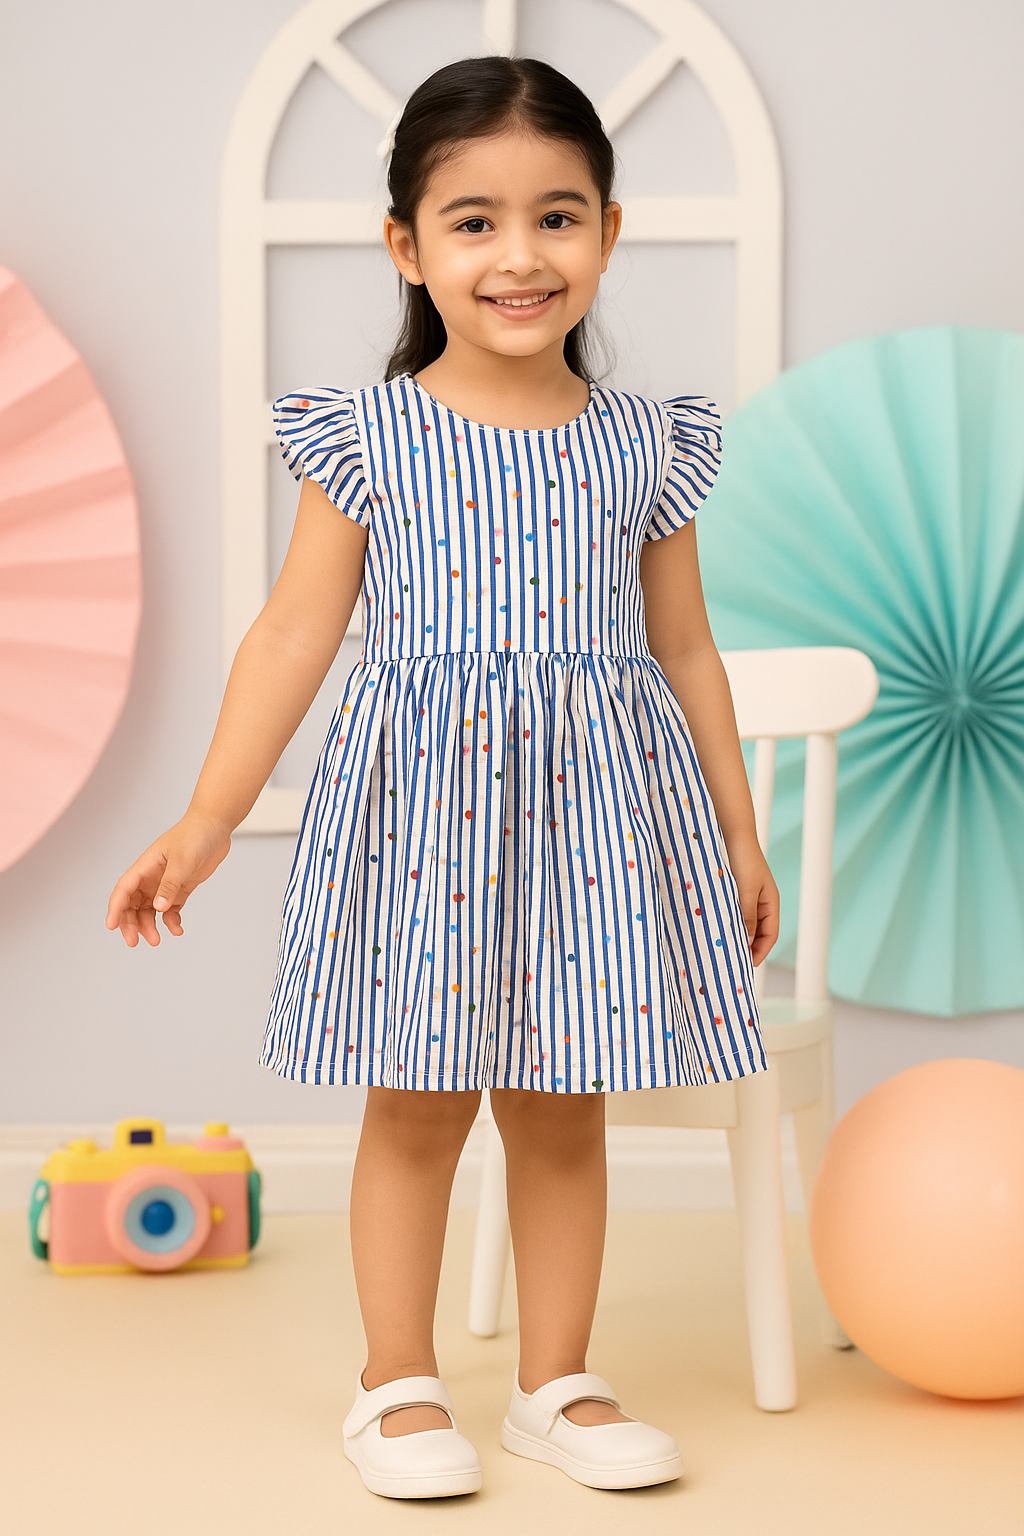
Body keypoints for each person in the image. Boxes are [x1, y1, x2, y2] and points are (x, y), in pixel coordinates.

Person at [107, 54, 779, 1502]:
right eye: (473, 222)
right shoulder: (370, 437)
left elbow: (689, 649)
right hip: (428, 821)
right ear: (408, 245)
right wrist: (208, 818)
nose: (520, 256)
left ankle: (555, 1381)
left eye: (558, 215)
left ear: (607, 229)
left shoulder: (647, 442)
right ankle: (395, 1379)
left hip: (602, 821)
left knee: (560, 1100)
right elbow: (296, 632)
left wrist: (736, 829)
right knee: (417, 1097)